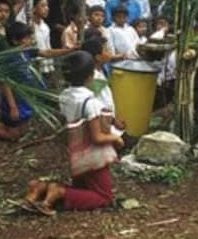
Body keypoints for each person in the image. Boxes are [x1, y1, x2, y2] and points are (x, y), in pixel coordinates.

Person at [21, 51, 123, 215]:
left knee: (82, 188)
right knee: (105, 197)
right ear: (90, 76)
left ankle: (40, 188)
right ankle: (58, 191)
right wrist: (116, 138)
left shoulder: (64, 96)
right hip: (92, 155)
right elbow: (97, 137)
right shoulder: (91, 103)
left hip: (74, 151)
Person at [0, 22, 72, 141]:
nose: (30, 40)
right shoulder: (10, 58)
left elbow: (46, 53)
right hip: (14, 99)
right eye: (27, 38)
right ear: (16, 41)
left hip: (23, 98)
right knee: (13, 134)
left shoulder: (25, 52)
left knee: (19, 130)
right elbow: (6, 83)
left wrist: (67, 51)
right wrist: (12, 107)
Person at [31, 0, 55, 79]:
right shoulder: (28, 27)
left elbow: (48, 47)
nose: (47, 9)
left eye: (47, 6)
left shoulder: (45, 27)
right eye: (43, 6)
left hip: (45, 65)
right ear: (33, 8)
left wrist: (50, 68)